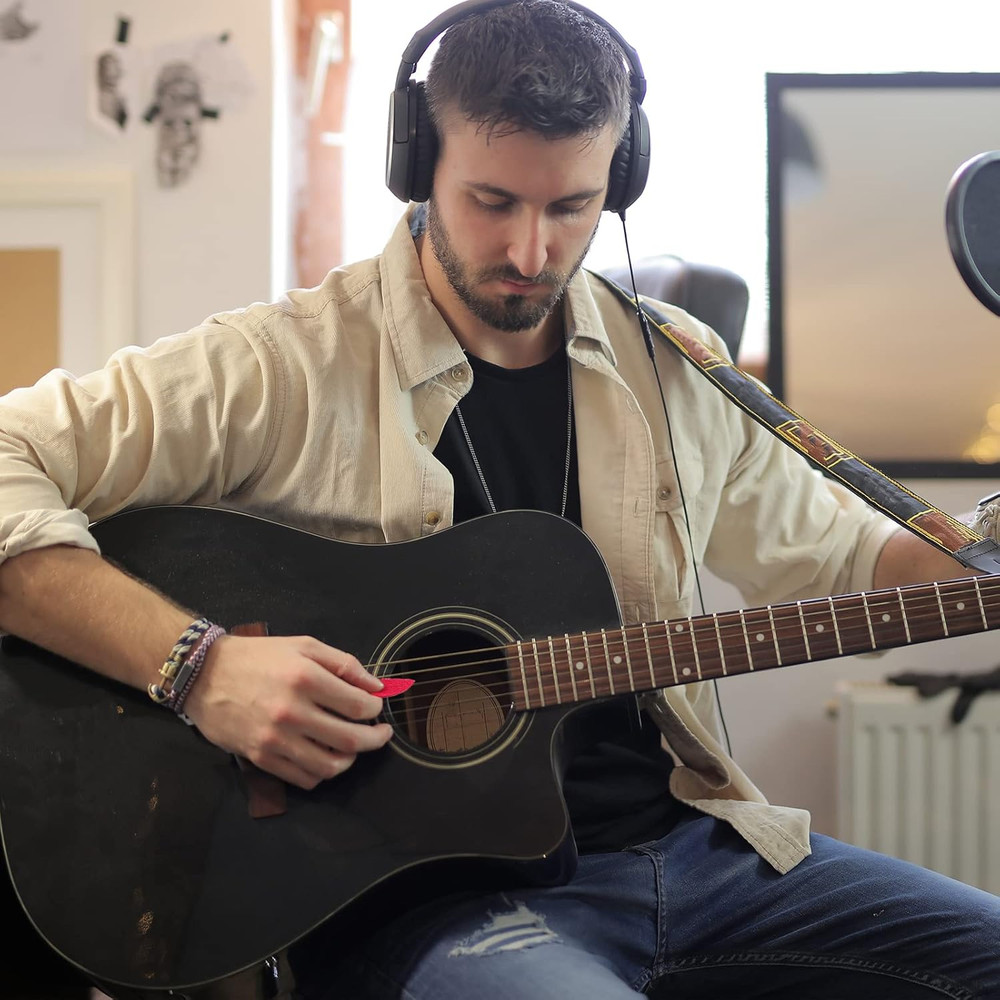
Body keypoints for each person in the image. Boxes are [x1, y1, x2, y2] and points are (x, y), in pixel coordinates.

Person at [0, 2, 997, 997]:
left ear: (622, 175)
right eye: (491, 201)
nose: (530, 250)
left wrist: (976, 566)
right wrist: (199, 666)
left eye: (570, 207)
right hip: (432, 907)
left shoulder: (675, 365)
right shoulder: (283, 365)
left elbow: (861, 558)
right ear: (416, 165)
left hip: (695, 849)